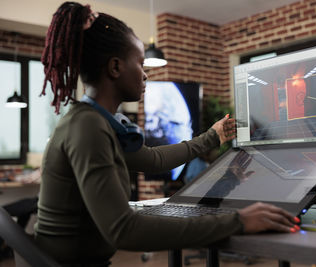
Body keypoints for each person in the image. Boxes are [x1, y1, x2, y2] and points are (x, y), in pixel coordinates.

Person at [34, 2, 300, 265]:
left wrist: (212, 137)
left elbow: (153, 160)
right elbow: (124, 230)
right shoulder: (88, 127)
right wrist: (239, 221)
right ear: (115, 67)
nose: (146, 76)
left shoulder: (98, 121)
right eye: (140, 64)